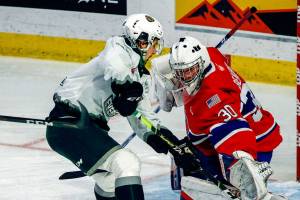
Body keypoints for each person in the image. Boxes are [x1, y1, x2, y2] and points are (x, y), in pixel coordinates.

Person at [45, 13, 177, 200]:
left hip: (89, 129)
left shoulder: (141, 78)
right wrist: (124, 85)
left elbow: (143, 119)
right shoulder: (117, 47)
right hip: (70, 121)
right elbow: (114, 63)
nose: (155, 50)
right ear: (141, 41)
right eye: (153, 43)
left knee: (110, 181)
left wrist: (171, 145)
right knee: (126, 162)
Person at [151, 36, 284, 200]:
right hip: (252, 128)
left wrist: (244, 171)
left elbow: (235, 130)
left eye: (189, 70)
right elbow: (168, 64)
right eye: (180, 72)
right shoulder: (211, 56)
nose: (185, 77)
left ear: (201, 63)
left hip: (252, 144)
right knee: (187, 170)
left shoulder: (212, 99)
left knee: (200, 190)